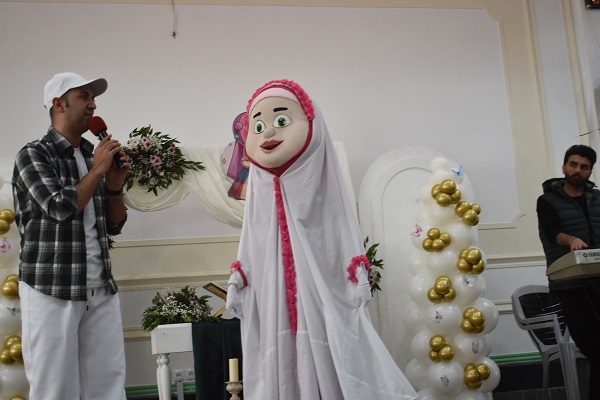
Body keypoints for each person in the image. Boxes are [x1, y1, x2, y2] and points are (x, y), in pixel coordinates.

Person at [225, 79, 417, 400]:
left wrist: (355, 272)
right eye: (258, 125)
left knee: (333, 354)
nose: (268, 131)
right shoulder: (262, 191)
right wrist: (240, 276)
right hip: (273, 304)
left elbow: (338, 232)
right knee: (279, 361)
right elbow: (252, 237)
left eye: (281, 120)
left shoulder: (322, 188)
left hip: (321, 298)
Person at [12, 72, 130, 400]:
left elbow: (114, 224)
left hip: (99, 288)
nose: (93, 105)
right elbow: (60, 207)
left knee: (108, 388)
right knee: (54, 390)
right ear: (58, 104)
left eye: (93, 98)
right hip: (52, 288)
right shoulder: (33, 155)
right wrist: (98, 170)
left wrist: (115, 185)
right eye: (83, 96)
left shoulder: (94, 154)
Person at [537, 144, 600, 399]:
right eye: (573, 165)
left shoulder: (597, 199)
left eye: (584, 167)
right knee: (595, 349)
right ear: (564, 167)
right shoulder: (547, 200)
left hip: (598, 282)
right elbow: (553, 232)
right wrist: (572, 240)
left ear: (589, 172)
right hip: (570, 287)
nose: (578, 170)